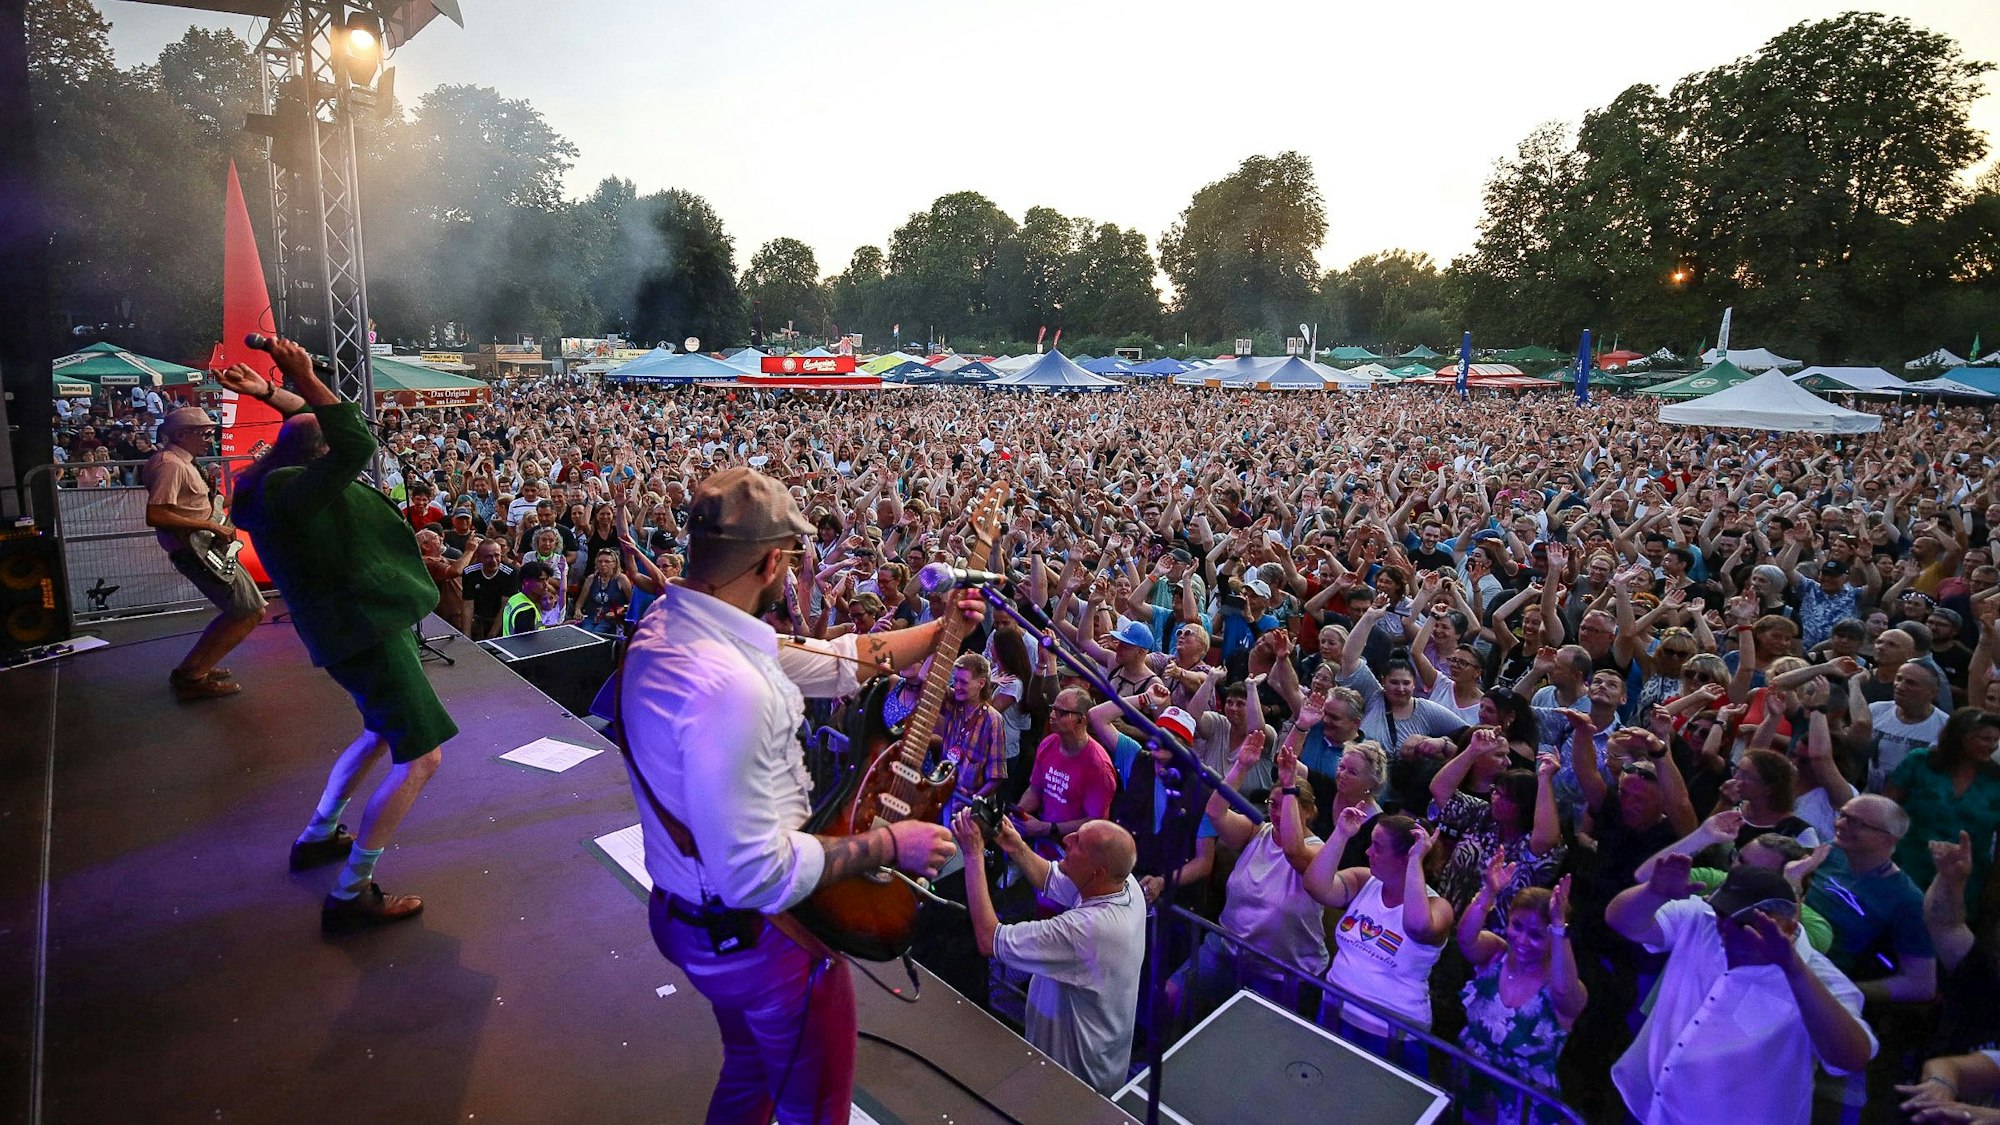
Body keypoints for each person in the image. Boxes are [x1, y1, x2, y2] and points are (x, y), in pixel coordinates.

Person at [614, 464, 974, 1125]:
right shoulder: (730, 688)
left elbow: (844, 659)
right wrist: (893, 841)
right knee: (813, 1112)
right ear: (776, 561)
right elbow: (757, 873)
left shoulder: (676, 626)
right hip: (765, 941)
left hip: (694, 921)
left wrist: (943, 628)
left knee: (749, 1075)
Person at [217, 341, 456, 931]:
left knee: (379, 731)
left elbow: (317, 425)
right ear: (321, 454)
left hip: (350, 628)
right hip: (366, 628)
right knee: (422, 758)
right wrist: (299, 374)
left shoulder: (272, 483)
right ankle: (352, 890)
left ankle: (319, 833)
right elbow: (353, 439)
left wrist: (275, 391)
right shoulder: (296, 493)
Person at [1606, 858, 1876, 1125]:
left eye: (1738, 920)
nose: (1723, 925)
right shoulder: (1704, 921)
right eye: (1722, 913)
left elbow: (1851, 1058)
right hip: (1647, 1101)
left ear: (1785, 926)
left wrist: (1792, 969)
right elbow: (1622, 921)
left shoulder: (1821, 981)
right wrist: (1652, 893)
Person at [952, 809, 1145, 1097]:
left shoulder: (1088, 931)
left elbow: (989, 938)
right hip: (1090, 1062)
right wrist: (1015, 844)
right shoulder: (1123, 884)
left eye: (1078, 842)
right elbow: (1052, 879)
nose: (1067, 839)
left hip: (1073, 1081)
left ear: (1097, 871)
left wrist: (972, 855)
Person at [1303, 809, 1453, 1064]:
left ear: (1403, 859)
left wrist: (1416, 862)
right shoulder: (1365, 881)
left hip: (1390, 1035)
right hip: (1335, 1010)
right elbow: (1316, 886)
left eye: (1377, 847)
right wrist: (1341, 834)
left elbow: (1417, 927)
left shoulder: (1438, 907)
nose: (1368, 852)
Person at [142, 404, 266, 699]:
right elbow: (156, 515)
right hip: (196, 549)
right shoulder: (171, 464)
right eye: (204, 433)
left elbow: (198, 505)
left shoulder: (181, 462)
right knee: (249, 611)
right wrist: (210, 527)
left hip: (204, 546)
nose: (210, 438)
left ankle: (195, 667)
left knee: (239, 610)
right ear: (182, 434)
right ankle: (195, 677)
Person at [1456, 864, 1586, 1124]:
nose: (1523, 941)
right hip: (1470, 1085)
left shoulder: (1565, 987)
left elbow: (1563, 991)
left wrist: (1560, 925)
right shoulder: (1495, 953)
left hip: (1522, 1108)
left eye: (1537, 935)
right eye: (1517, 926)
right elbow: (1465, 940)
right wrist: (1489, 892)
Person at [503, 561, 555, 636]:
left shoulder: (515, 598)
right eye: (540, 580)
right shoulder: (526, 611)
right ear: (526, 582)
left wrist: (560, 627)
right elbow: (527, 643)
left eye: (546, 579)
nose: (546, 585)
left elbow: (533, 629)